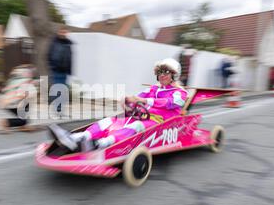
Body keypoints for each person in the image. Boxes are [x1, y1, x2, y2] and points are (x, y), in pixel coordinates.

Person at [48, 58, 188, 152]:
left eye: (166, 72)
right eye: (160, 72)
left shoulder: (180, 93)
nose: (162, 75)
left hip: (161, 124)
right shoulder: (153, 89)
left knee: (137, 126)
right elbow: (138, 97)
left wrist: (144, 101)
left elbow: (169, 103)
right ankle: (76, 138)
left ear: (174, 75)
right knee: (110, 120)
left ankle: (100, 144)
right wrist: (127, 100)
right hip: (143, 117)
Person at [0, 64, 38, 132]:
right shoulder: (26, 81)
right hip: (14, 103)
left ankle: (23, 125)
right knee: (23, 119)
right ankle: (6, 122)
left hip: (6, 102)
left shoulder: (14, 79)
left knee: (24, 115)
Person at [47, 26, 73, 113]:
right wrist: (52, 66)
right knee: (58, 89)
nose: (63, 34)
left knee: (63, 90)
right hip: (56, 70)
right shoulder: (54, 43)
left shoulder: (68, 43)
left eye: (65, 32)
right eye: (62, 32)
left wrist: (70, 70)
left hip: (65, 71)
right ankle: (57, 108)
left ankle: (60, 109)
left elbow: (70, 58)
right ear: (58, 32)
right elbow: (49, 55)